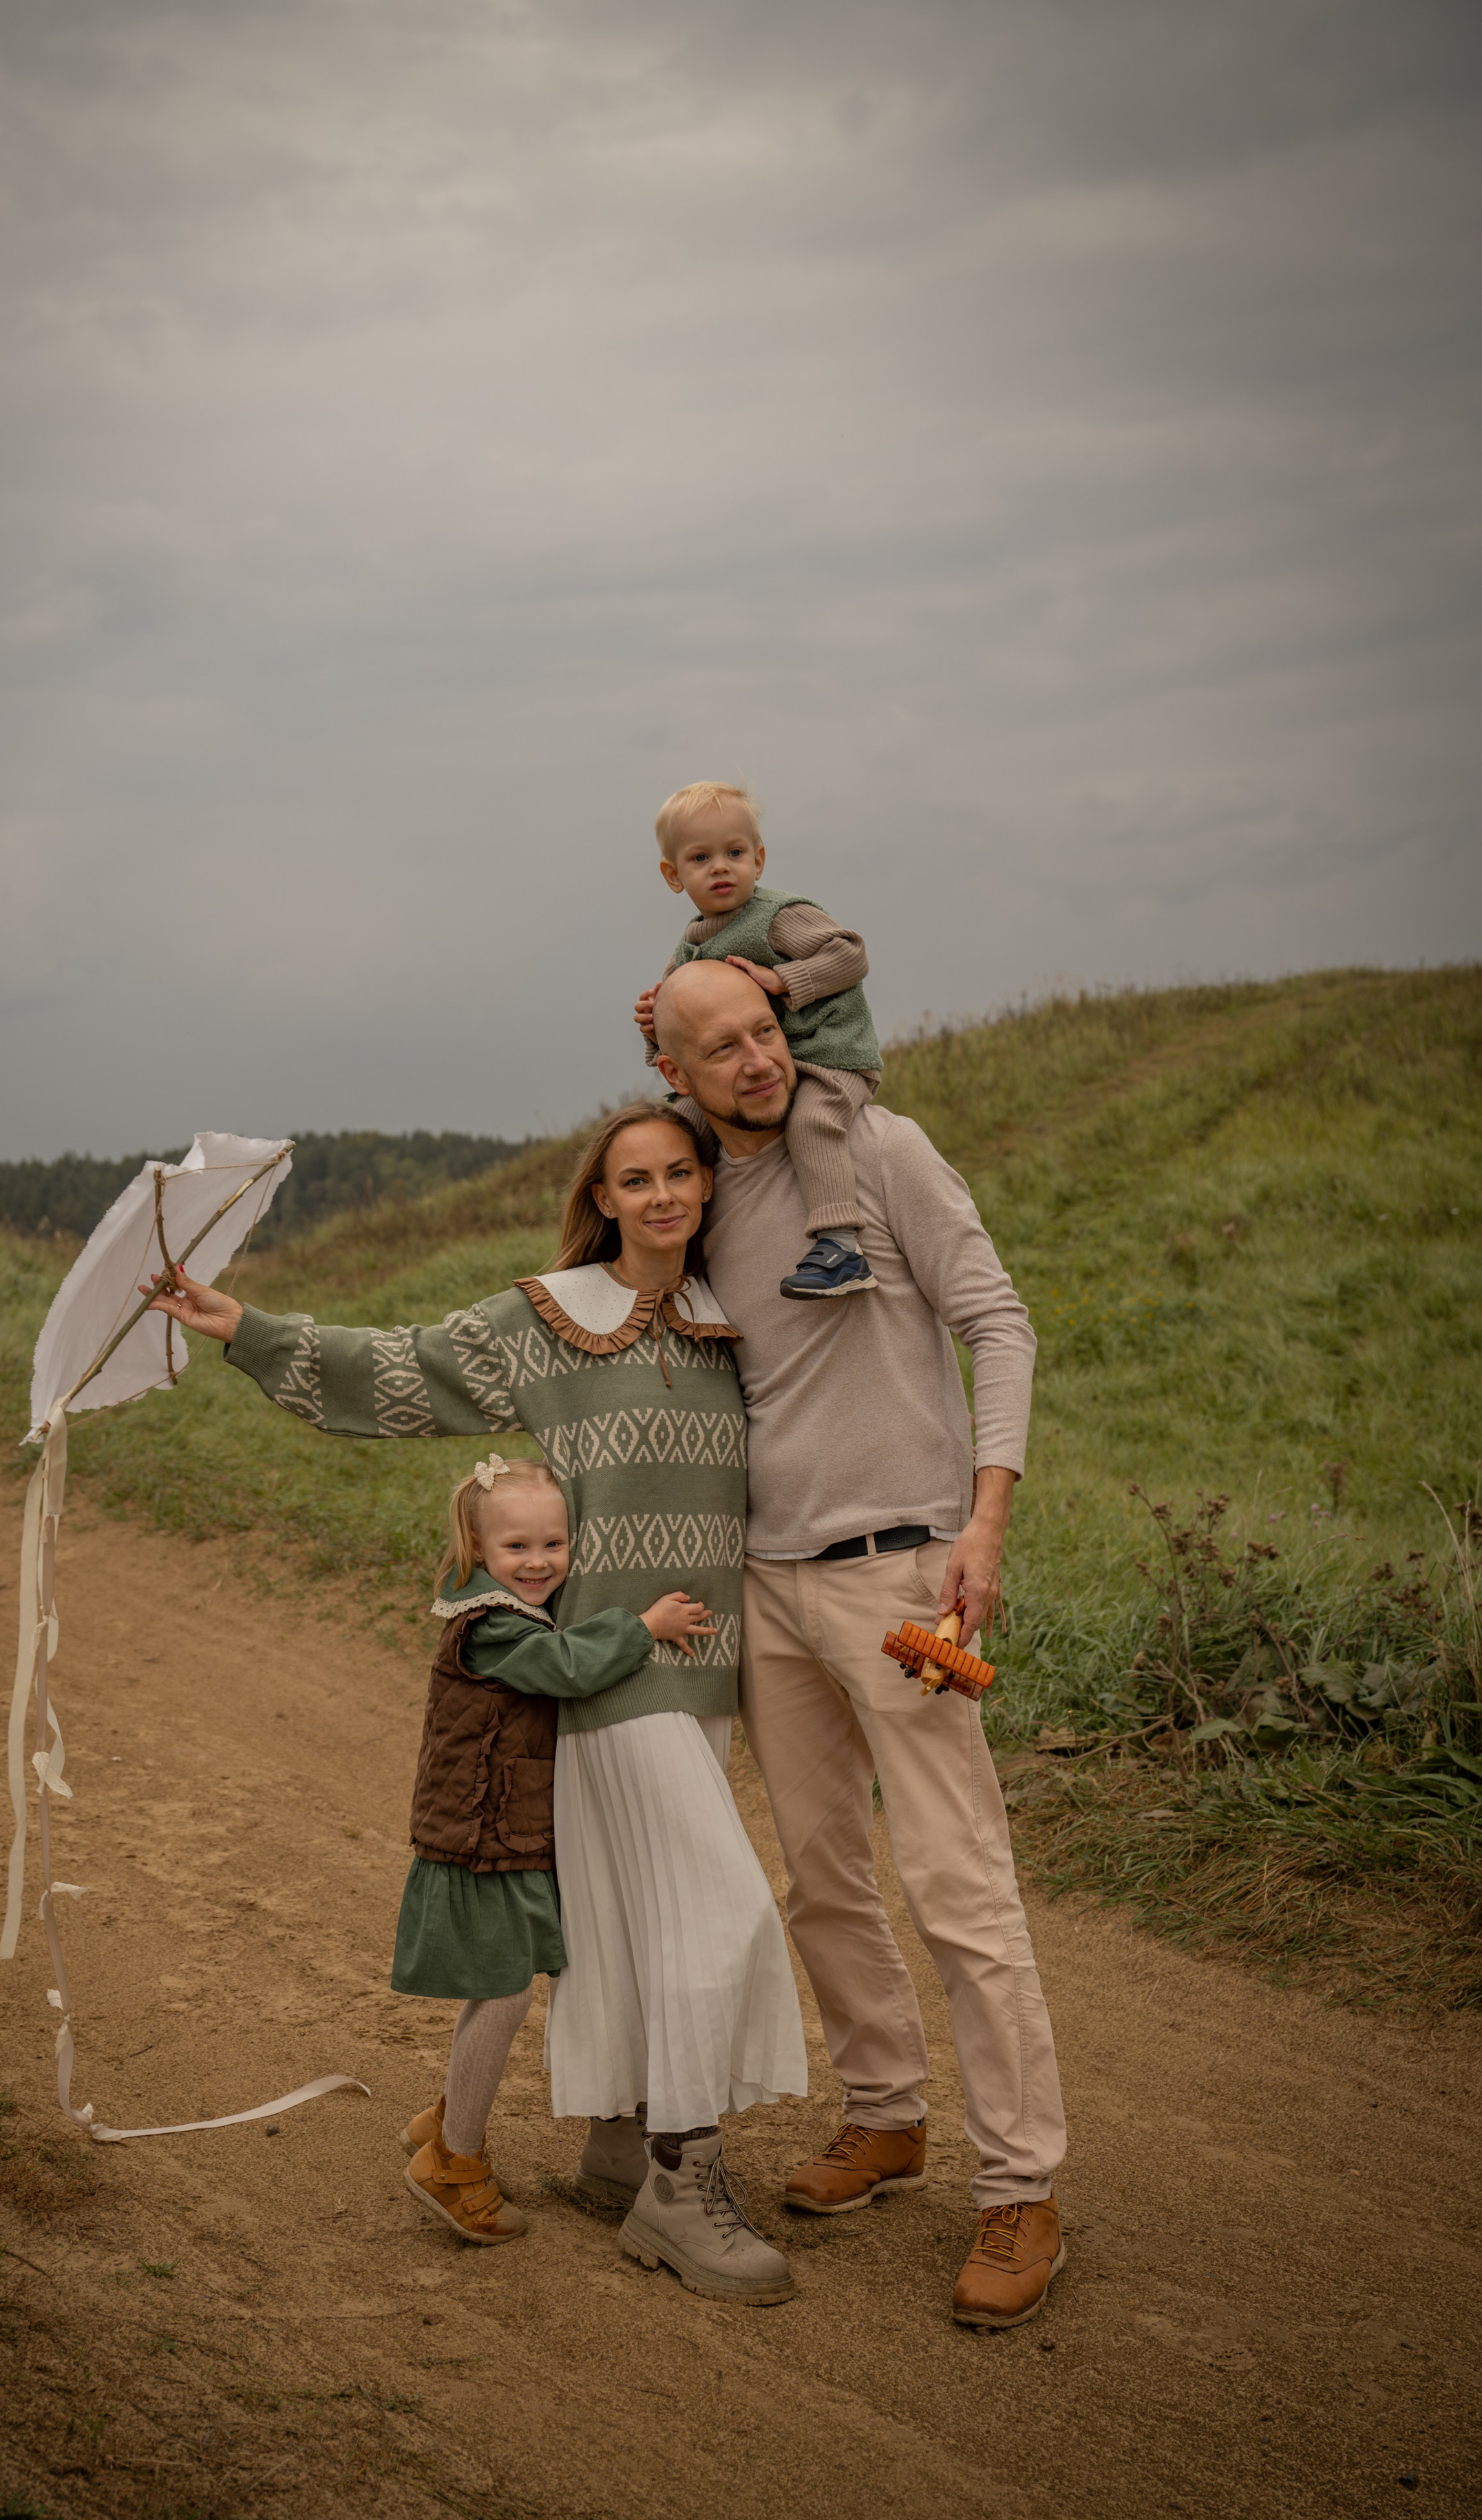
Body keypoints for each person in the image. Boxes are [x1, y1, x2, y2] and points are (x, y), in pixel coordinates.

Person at [148, 1102, 808, 2307]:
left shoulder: (736, 1321)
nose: (661, 1194)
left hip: (708, 1676)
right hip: (609, 1674)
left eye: (680, 1173)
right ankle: (681, 2179)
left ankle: (618, 2144)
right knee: (722, 1912)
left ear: (704, 1189)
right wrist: (242, 1326)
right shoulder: (547, 1324)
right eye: (634, 1179)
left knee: (628, 1916)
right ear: (600, 1198)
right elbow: (399, 1371)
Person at [650, 957, 1069, 2331]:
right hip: (763, 1585)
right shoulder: (699, 1198)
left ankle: (1019, 2186)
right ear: (675, 1074)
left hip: (900, 1571)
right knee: (820, 1876)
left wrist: (984, 1522)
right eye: (717, 1050)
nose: (753, 1062)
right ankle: (885, 2116)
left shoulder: (878, 1149)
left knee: (958, 1887)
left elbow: (995, 1323)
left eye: (762, 1033)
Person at [392, 1451, 710, 2247]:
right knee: (502, 1993)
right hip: (481, 1839)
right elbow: (566, 1668)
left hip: (501, 1832)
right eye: (516, 1550)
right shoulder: (491, 1626)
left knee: (504, 1987)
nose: (537, 1564)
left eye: (552, 1546)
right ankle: (454, 2160)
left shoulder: (510, 1606)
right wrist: (644, 1627)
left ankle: (444, 2119)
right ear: (475, 1551)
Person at [634, 781, 883, 1303]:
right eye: (701, 858)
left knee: (812, 1123)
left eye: (735, 853)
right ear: (673, 875)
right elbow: (683, 1026)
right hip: (769, 1065)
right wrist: (652, 1026)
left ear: (759, 860)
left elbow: (851, 954)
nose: (721, 867)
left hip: (830, 1052)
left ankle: (841, 1247)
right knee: (680, 1128)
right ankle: (674, 1252)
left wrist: (787, 981)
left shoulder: (778, 917)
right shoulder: (692, 945)